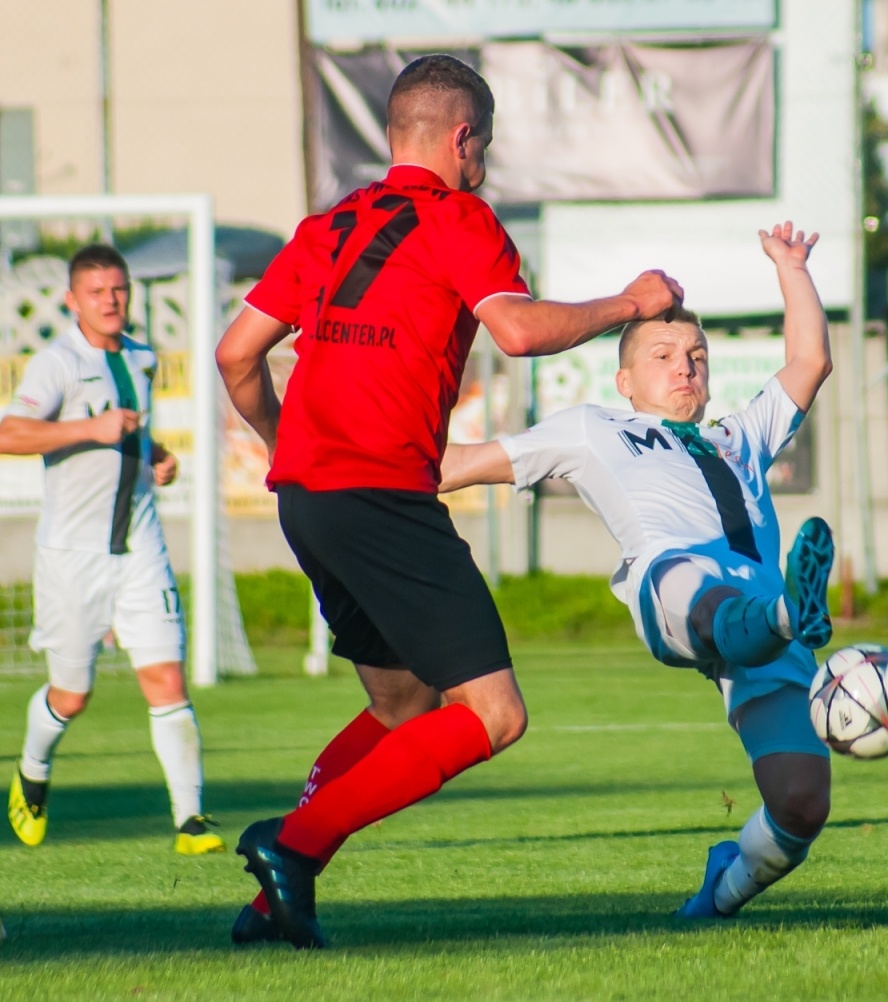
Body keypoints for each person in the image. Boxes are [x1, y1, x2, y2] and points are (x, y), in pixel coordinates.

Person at [214, 54, 682, 949]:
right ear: (462, 139)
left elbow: (238, 356)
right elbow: (515, 329)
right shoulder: (459, 218)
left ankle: (277, 904)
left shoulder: (327, 225)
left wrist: (287, 450)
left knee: (403, 704)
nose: (484, 166)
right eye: (485, 149)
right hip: (384, 495)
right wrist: (631, 301)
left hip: (310, 499)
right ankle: (293, 846)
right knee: (493, 714)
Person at [439, 221, 835, 918]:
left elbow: (809, 361)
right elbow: (462, 464)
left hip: (767, 630)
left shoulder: (740, 437)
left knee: (801, 805)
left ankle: (720, 891)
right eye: (663, 355)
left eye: (698, 356)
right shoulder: (594, 429)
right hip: (672, 589)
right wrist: (349, 467)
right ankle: (785, 612)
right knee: (698, 585)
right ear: (625, 379)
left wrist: (791, 266)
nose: (685, 367)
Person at [2, 245, 222, 855]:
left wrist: (155, 457)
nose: (111, 301)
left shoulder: (142, 358)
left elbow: (130, 429)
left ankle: (190, 819)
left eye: (119, 289)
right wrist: (87, 430)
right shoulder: (57, 363)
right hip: (72, 558)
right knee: (72, 694)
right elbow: (9, 433)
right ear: (73, 300)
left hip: (140, 547)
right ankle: (33, 773)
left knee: (166, 678)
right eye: (97, 292)